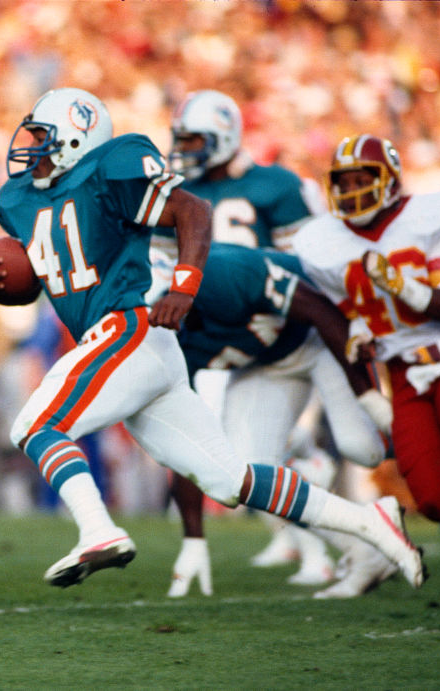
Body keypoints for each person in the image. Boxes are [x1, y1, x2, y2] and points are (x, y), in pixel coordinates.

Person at [0, 87, 423, 591]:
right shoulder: (22, 199)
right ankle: (372, 521)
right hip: (138, 349)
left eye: (44, 136)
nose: (32, 146)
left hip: (128, 329)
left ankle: (97, 529)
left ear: (74, 137)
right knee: (231, 480)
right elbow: (43, 280)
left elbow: (192, 209)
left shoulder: (111, 170)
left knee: (36, 426)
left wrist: (184, 284)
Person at [292, 133, 440, 602]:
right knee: (435, 503)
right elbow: (350, 312)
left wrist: (404, 287)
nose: (354, 190)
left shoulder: (439, 213)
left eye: (365, 179)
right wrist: (358, 328)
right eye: (345, 181)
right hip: (401, 375)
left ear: (391, 181)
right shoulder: (322, 241)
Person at [156, 89, 340, 593]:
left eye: (195, 139)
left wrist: (270, 311)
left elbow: (311, 269)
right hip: (227, 338)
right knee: (237, 459)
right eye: (181, 139)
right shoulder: (177, 194)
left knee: (358, 446)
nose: (186, 149)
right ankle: (308, 519)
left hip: (291, 329)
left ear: (226, 135)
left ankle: (310, 472)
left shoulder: (276, 185)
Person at [147, 242, 392, 597]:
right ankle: (365, 551)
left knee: (363, 450)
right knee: (249, 474)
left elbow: (322, 311)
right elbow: (188, 441)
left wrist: (371, 399)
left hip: (320, 338)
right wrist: (194, 537)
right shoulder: (164, 344)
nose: (162, 319)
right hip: (265, 368)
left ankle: (312, 448)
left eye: (162, 306)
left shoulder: (224, 274)